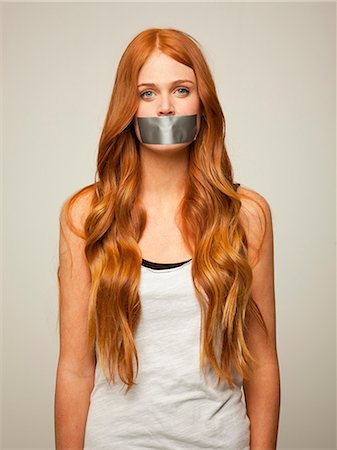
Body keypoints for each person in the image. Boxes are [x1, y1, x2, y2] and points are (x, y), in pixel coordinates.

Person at [54, 27, 280, 450]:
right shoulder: (88, 215)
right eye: (147, 93)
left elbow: (262, 364)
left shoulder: (246, 215)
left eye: (180, 89)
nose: (164, 107)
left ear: (202, 102)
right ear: (129, 106)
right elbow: (74, 368)